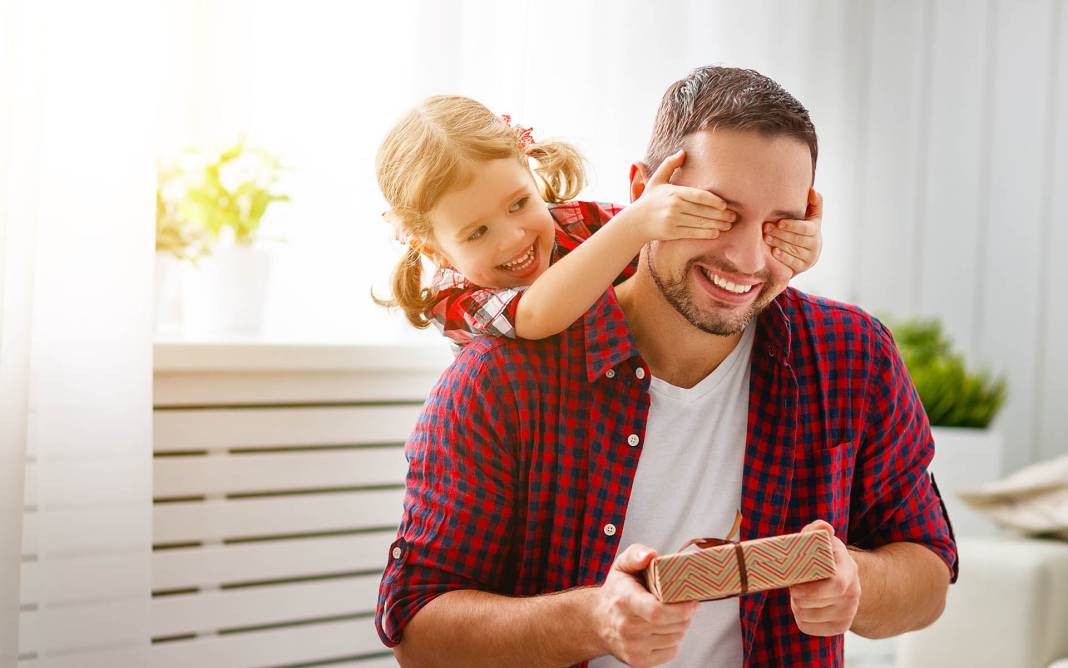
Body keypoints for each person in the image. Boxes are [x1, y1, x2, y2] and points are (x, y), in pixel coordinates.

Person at [375, 66, 958, 668]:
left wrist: (856, 580)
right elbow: (420, 634)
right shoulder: (498, 379)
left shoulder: (851, 356)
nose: (747, 256)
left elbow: (930, 576)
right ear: (644, 192)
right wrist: (592, 620)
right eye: (717, 213)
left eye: (777, 223)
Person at [374, 95, 822, 349]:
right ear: (434, 249)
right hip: (540, 430)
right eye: (476, 232)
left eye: (517, 204)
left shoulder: (577, 223)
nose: (514, 236)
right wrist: (634, 225)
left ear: (531, 172)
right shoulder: (454, 298)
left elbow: (674, 250)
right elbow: (534, 315)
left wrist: (784, 243)